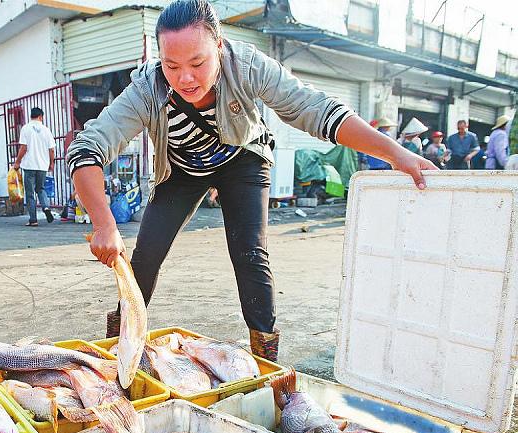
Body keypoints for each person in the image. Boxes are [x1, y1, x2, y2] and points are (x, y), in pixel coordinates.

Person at [67, 0, 434, 362]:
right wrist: (104, 223)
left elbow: (315, 108)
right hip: (181, 168)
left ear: (220, 47)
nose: (185, 78)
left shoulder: (246, 65)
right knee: (144, 257)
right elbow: (88, 147)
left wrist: (395, 153)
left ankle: (266, 360)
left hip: (242, 158)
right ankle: (116, 353)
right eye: (171, 65)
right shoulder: (147, 88)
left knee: (250, 255)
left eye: (198, 63)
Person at [13, 107, 56, 226]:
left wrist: (17, 162)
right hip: (42, 166)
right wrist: (51, 163)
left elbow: (23, 148)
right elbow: (51, 150)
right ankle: (46, 207)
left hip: (29, 166)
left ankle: (33, 220)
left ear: (31, 116)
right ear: (41, 117)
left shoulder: (25, 128)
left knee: (30, 193)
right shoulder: (46, 130)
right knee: (40, 189)